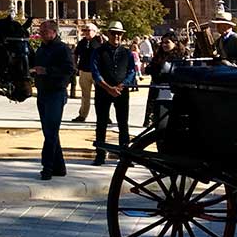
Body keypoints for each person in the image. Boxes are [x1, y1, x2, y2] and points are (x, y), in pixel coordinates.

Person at [31, 19, 75, 180]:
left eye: (43, 32)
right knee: (49, 131)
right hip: (43, 92)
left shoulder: (62, 49)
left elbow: (69, 69)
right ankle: (60, 166)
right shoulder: (42, 49)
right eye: (40, 32)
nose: (40, 34)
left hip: (56, 92)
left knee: (51, 131)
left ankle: (47, 166)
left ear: (53, 32)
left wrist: (47, 71)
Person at [91, 19, 137, 166]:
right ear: (108, 34)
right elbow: (95, 72)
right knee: (101, 122)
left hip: (121, 92)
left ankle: (125, 155)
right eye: (114, 34)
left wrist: (122, 85)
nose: (116, 37)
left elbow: (131, 71)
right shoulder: (98, 51)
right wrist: (107, 87)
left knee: (123, 123)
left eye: (119, 34)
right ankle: (100, 155)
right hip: (103, 91)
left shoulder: (127, 53)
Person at [144, 32, 186, 126]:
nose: (164, 45)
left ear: (175, 43)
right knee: (160, 124)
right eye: (163, 42)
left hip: (175, 95)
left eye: (167, 42)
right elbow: (149, 70)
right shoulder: (158, 56)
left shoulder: (182, 57)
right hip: (159, 94)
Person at [71, 24, 100, 122]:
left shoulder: (99, 42)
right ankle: (82, 115)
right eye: (85, 30)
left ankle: (103, 115)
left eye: (88, 30)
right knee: (85, 96)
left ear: (95, 32)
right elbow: (76, 53)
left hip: (97, 72)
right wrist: (75, 65)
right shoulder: (82, 42)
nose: (86, 32)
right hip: (84, 71)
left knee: (100, 95)